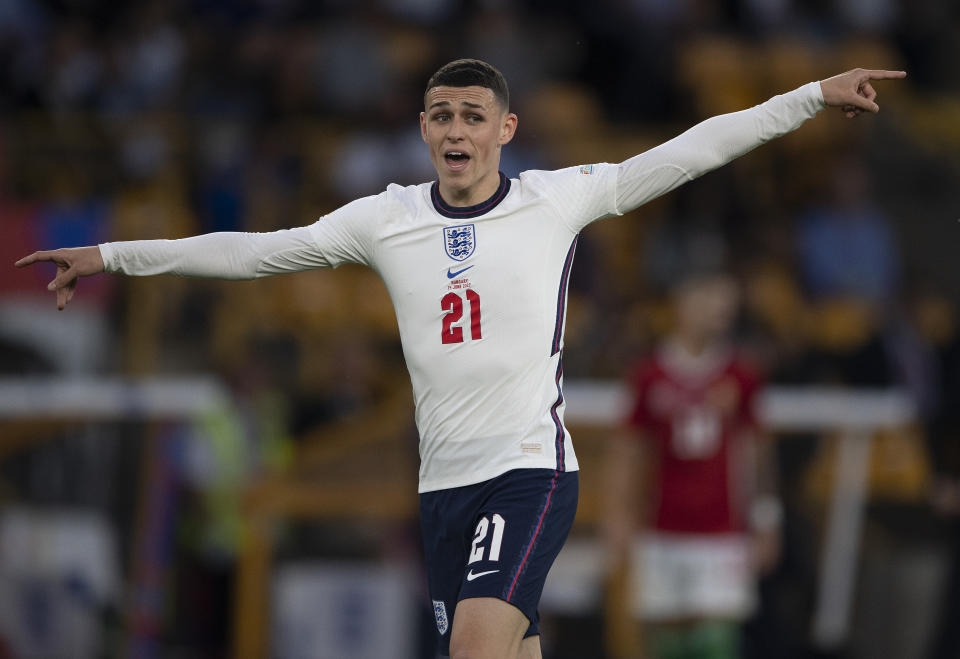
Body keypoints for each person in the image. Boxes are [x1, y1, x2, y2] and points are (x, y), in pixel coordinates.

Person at [15, 59, 904, 659]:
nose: (456, 129)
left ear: (505, 128)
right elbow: (258, 251)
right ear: (423, 127)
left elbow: (689, 149)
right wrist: (113, 255)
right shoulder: (387, 218)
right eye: (441, 115)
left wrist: (811, 96)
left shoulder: (559, 200)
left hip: (529, 470)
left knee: (475, 645)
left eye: (473, 116)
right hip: (443, 488)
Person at [603, 270, 780, 659]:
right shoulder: (649, 376)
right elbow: (629, 451)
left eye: (727, 304)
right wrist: (618, 515)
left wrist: (767, 519)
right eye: (711, 301)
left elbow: (757, 452)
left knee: (717, 636)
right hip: (662, 527)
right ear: (682, 305)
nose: (721, 312)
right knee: (666, 635)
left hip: (722, 530)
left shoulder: (741, 376)